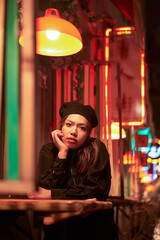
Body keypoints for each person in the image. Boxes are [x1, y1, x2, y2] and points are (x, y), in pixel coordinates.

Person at [28, 101, 119, 240]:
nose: (73, 132)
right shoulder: (49, 150)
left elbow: (95, 190)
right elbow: (46, 185)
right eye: (69, 125)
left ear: (88, 134)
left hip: (94, 228)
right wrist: (62, 153)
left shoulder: (96, 149)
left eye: (82, 128)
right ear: (61, 127)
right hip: (57, 228)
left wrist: (52, 194)